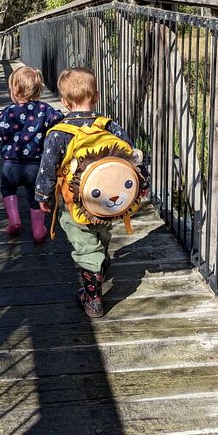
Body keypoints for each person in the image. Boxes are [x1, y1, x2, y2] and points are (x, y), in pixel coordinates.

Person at [35, 67, 138, 318]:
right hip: (108, 203)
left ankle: (93, 298)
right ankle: (100, 261)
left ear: (64, 102)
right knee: (101, 232)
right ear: (97, 96)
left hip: (75, 205)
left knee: (84, 244)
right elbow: (131, 155)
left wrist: (43, 197)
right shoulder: (110, 126)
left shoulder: (59, 133)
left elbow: (47, 169)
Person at [0, 66, 63, 242]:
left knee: (7, 188)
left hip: (11, 164)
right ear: (39, 91)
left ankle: (14, 220)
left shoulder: (8, 112)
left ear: (14, 90)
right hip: (36, 165)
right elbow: (58, 121)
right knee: (35, 196)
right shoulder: (45, 109)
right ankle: (38, 231)